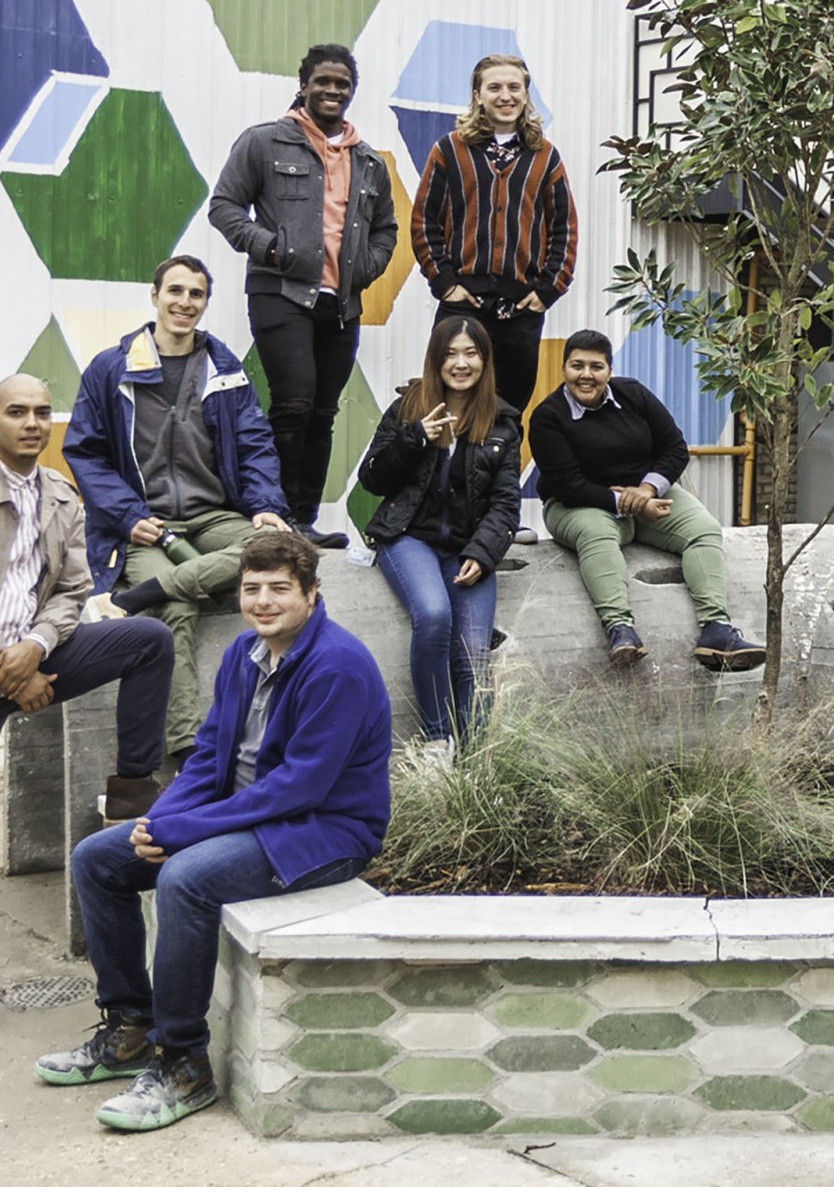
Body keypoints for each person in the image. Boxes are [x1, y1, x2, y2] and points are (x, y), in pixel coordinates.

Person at [38, 529, 391, 1130]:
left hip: (323, 834)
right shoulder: (242, 655)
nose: (263, 602)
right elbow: (207, 757)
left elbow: (296, 789)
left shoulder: (338, 666)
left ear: (312, 593)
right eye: (252, 589)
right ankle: (129, 1029)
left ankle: (182, 1062)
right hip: (249, 817)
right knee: (97, 859)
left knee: (186, 879)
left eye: (280, 588)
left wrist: (187, 834)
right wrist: (163, 818)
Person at [0, 374, 176, 1036]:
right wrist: (10, 672)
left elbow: (73, 589)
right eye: (15, 411)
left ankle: (134, 792)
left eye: (42, 413)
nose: (30, 422)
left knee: (147, 641)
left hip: (35, 656)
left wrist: (41, 645)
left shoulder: (60, 496)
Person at [63, 254, 292, 766]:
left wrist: (264, 506)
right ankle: (188, 746)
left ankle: (140, 593)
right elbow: (85, 451)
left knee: (277, 549)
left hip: (212, 515)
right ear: (155, 296)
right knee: (178, 608)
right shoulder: (111, 368)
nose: (185, 303)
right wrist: (126, 516)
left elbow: (255, 445)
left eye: (196, 295)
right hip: (144, 525)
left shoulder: (224, 369)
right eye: (176, 291)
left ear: (205, 303)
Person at [208, 43, 398, 546]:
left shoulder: (369, 163)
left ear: (352, 91)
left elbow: (386, 230)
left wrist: (369, 269)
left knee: (323, 412)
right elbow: (224, 206)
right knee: (293, 402)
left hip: (342, 304)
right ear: (304, 84)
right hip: (281, 293)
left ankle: (304, 520)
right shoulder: (265, 142)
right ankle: (275, 515)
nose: (333, 90)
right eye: (324, 81)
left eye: (343, 84)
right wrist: (270, 249)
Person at [530, 329, 764, 672]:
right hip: (578, 505)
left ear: (609, 370)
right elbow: (568, 485)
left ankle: (716, 630)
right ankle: (620, 629)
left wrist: (649, 490)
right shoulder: (547, 417)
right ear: (563, 369)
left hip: (647, 493)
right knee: (597, 534)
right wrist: (632, 503)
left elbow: (674, 448)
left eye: (596, 367)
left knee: (704, 529)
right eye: (576, 365)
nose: (586, 375)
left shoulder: (634, 394)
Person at [359, 315, 524, 749]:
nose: (461, 363)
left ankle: (474, 760)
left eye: (471, 353)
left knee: (472, 653)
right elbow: (372, 479)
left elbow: (506, 503)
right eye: (451, 354)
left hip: (467, 548)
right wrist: (414, 438)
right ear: (436, 359)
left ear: (485, 361)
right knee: (433, 616)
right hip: (408, 537)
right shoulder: (409, 407)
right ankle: (437, 741)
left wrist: (484, 552)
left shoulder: (504, 421)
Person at [410, 51, 577, 427]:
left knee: (508, 415)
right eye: (495, 87)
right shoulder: (450, 150)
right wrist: (444, 282)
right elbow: (423, 220)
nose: (506, 96)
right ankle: (445, 485)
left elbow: (564, 228)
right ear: (477, 95)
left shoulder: (545, 157)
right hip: (461, 306)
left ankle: (499, 488)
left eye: (514, 87)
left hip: (520, 310)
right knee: (447, 408)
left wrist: (548, 290)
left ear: (526, 95)